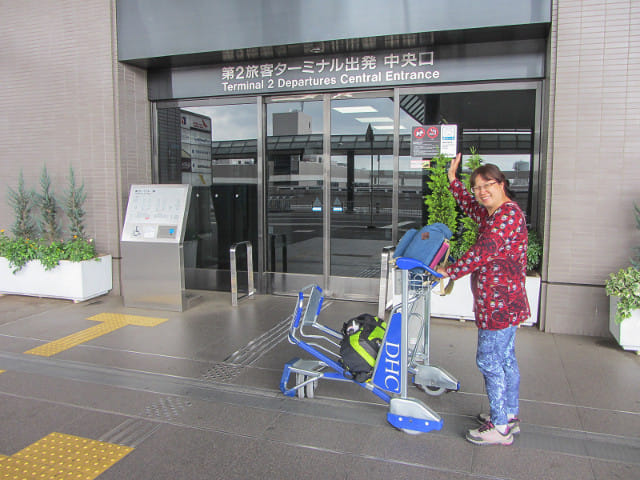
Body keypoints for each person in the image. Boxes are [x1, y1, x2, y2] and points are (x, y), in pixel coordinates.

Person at [436, 152, 530, 446]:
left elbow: (482, 252)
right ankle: (509, 415)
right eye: (477, 187)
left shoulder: (507, 217)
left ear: (502, 184)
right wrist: (454, 181)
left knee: (489, 361)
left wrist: (448, 270)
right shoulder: (494, 214)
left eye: (487, 184)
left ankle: (500, 425)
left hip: (499, 307)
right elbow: (469, 207)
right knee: (505, 361)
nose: (481, 191)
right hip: (506, 304)